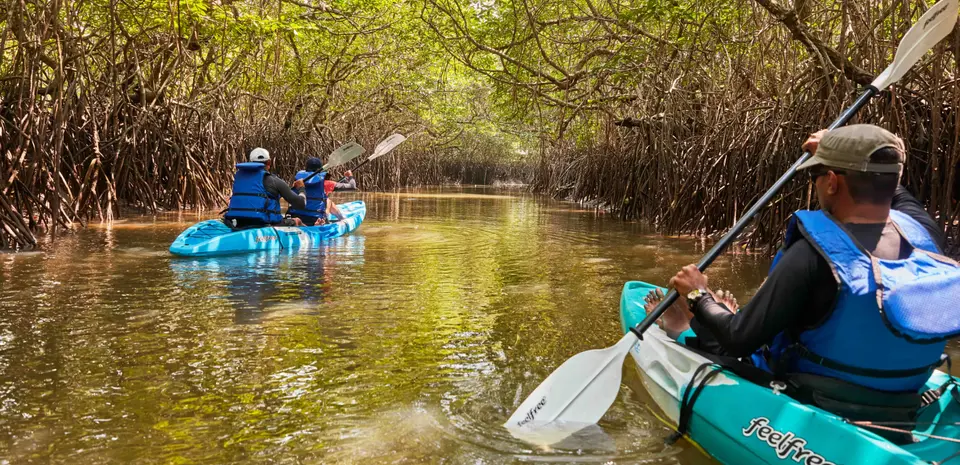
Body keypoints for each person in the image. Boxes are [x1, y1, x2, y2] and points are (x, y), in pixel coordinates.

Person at [648, 125, 960, 441]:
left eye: (816, 176)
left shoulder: (810, 255)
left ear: (833, 182)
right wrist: (834, 152)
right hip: (904, 393)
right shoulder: (925, 233)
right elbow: (895, 190)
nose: (817, 184)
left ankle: (681, 325)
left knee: (728, 334)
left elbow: (739, 339)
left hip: (819, 395)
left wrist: (697, 293)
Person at [224, 148, 306, 229]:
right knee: (297, 220)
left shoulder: (239, 179)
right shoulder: (274, 181)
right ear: (269, 162)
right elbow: (301, 204)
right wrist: (301, 188)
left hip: (240, 223)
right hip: (266, 225)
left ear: (251, 162)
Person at [287, 157, 346, 226]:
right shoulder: (326, 183)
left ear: (306, 168)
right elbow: (352, 186)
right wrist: (350, 176)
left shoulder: (296, 181)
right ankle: (342, 219)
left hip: (295, 216)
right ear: (320, 169)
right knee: (328, 201)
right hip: (315, 219)